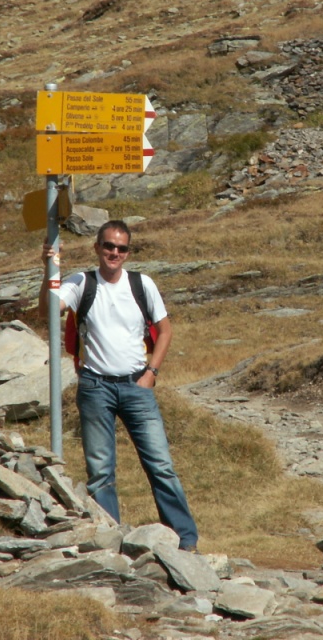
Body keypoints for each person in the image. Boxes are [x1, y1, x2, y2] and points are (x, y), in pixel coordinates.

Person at [39, 220, 199, 551]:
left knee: (161, 466)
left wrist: (151, 373)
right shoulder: (81, 282)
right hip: (95, 387)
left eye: (121, 248)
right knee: (100, 472)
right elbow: (48, 312)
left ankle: (185, 541)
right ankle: (111, 543)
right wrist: (49, 269)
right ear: (97, 247)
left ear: (128, 252)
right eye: (109, 246)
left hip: (136, 386)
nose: (115, 252)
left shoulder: (142, 284)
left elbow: (165, 330)